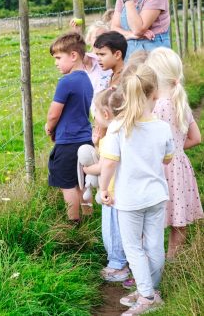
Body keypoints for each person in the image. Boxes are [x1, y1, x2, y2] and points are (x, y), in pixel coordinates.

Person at [100, 64, 174, 315]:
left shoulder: (118, 127)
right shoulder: (162, 127)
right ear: (154, 94)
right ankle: (151, 290)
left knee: (134, 248)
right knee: (154, 245)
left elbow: (109, 162)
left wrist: (103, 188)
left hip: (130, 199)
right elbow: (167, 159)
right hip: (156, 195)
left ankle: (146, 297)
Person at [147, 47, 203, 259]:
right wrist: (176, 149)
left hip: (158, 168)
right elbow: (196, 138)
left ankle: (153, 264)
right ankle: (173, 262)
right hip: (179, 168)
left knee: (153, 219)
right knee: (178, 218)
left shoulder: (155, 107)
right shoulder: (181, 103)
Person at [78, 88, 129, 282]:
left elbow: (103, 164)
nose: (95, 119)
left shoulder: (111, 138)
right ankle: (127, 263)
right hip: (126, 191)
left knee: (112, 230)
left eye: (96, 114)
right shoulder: (125, 132)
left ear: (106, 114)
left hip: (112, 193)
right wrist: (97, 142)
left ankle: (118, 265)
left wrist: (87, 170)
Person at [45, 32, 94, 223]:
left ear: (73, 56)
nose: (56, 63)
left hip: (68, 142)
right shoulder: (86, 80)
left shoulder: (66, 82)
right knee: (83, 182)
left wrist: (50, 127)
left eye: (58, 58)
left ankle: (73, 223)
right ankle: (89, 217)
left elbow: (54, 113)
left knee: (68, 184)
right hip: (85, 139)